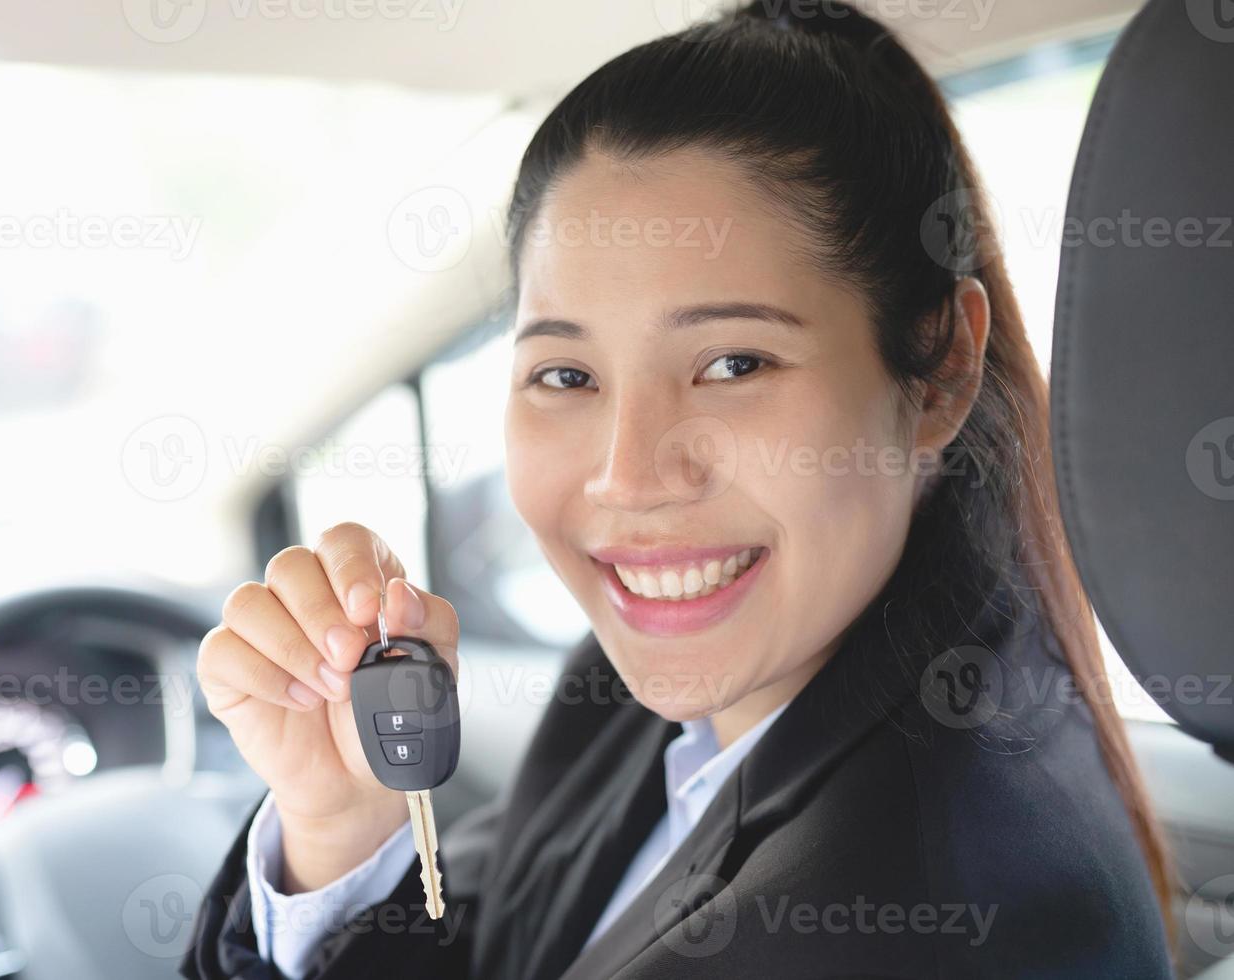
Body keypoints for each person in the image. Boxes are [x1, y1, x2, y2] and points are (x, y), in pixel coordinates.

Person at [181, 2, 1175, 976]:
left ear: (943, 368)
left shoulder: (902, 923)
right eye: (566, 376)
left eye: (735, 363)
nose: (628, 474)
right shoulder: (659, 687)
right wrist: (342, 828)